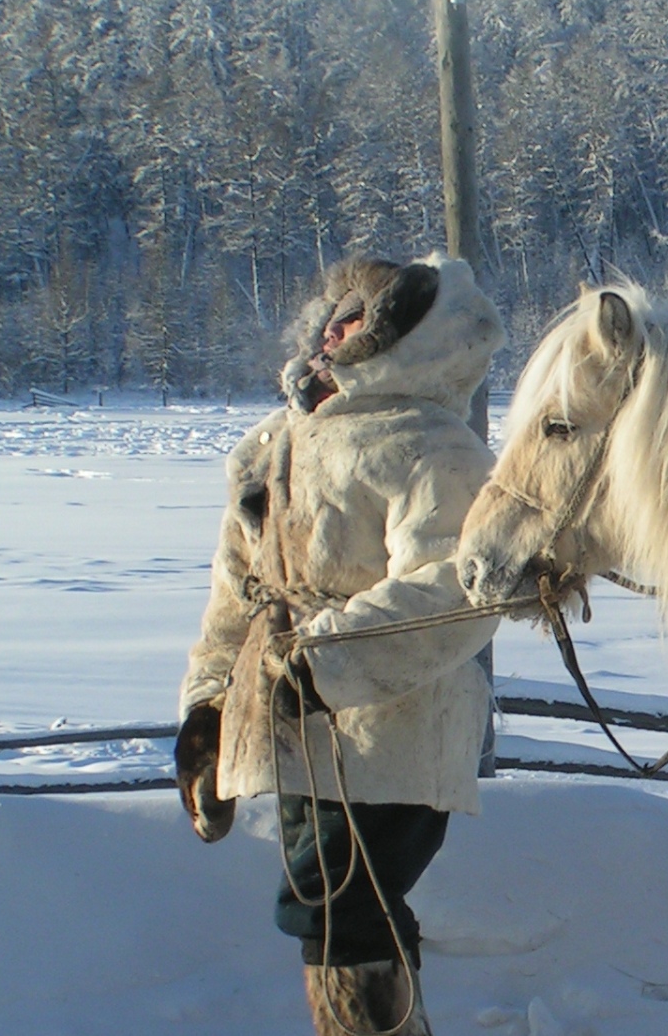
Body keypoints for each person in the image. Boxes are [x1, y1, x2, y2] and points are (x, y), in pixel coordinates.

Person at [175, 253, 504, 1035]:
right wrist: (208, 705)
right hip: (291, 720)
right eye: (333, 311)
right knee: (342, 909)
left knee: (339, 912)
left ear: (400, 334)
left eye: (356, 315)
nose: (334, 326)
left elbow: (457, 590)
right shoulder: (278, 440)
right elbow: (238, 590)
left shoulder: (433, 445)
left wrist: (326, 663)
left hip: (392, 734)